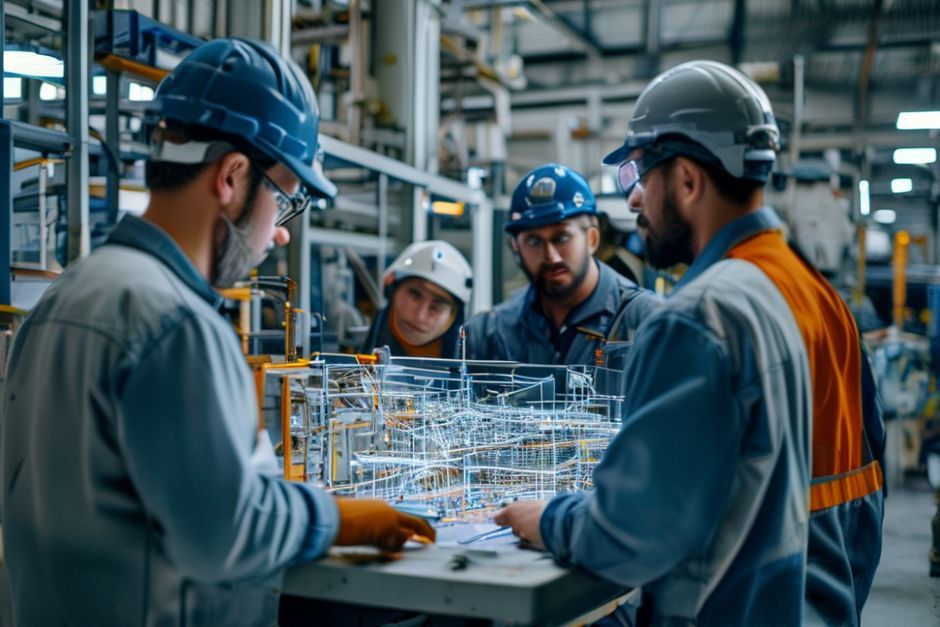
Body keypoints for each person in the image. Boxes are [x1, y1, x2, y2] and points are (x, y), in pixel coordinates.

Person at [0, 38, 432, 626]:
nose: (279, 235)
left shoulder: (64, 295)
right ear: (231, 176)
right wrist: (331, 518)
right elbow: (227, 532)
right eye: (282, 202)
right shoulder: (174, 324)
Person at [495, 60, 884, 626]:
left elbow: (632, 532)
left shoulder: (699, 317)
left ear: (686, 180)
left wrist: (548, 519)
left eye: (638, 178)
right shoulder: (820, 297)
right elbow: (864, 498)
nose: (632, 203)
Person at [464, 164, 660, 365]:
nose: (551, 256)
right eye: (533, 241)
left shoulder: (647, 322)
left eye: (561, 238)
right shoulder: (490, 334)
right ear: (515, 247)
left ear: (591, 238)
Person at [362, 240, 472, 358]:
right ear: (392, 291)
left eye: (436, 306)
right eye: (414, 295)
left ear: (454, 316)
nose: (420, 316)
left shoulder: (476, 360)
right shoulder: (349, 348)